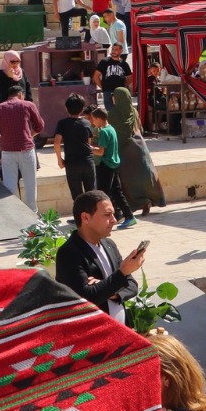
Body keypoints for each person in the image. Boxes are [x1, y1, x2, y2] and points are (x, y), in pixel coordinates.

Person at [54, 190, 145, 322]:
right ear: (85, 217)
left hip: (120, 329)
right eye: (107, 215)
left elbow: (132, 285)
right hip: (92, 331)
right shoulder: (69, 253)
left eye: (113, 214)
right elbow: (87, 298)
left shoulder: (109, 245)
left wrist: (112, 292)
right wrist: (122, 273)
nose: (114, 220)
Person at [0, 82, 44, 210]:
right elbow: (40, 126)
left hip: (7, 151)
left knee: (10, 186)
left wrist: (2, 138)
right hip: (26, 149)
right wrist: (30, 135)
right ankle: (32, 213)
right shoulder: (28, 105)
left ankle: (16, 213)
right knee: (30, 184)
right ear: (20, 94)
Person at [110, 86, 164, 213]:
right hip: (139, 148)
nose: (112, 98)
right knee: (145, 177)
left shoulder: (112, 114)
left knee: (127, 181)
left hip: (123, 150)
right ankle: (150, 200)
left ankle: (140, 202)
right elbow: (140, 127)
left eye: (114, 96)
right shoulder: (134, 111)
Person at [88, 106, 134, 229]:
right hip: (114, 164)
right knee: (117, 192)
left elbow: (100, 152)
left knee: (103, 195)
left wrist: (89, 148)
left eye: (94, 119)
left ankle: (104, 220)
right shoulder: (111, 128)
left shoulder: (103, 132)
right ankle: (128, 216)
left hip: (105, 165)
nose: (93, 122)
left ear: (99, 119)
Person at [53, 93, 97, 201]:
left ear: (66, 108)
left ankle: (79, 212)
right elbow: (89, 142)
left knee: (76, 195)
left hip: (72, 162)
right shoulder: (87, 123)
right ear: (82, 109)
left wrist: (59, 160)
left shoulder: (62, 123)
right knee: (91, 194)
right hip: (87, 161)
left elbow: (57, 143)